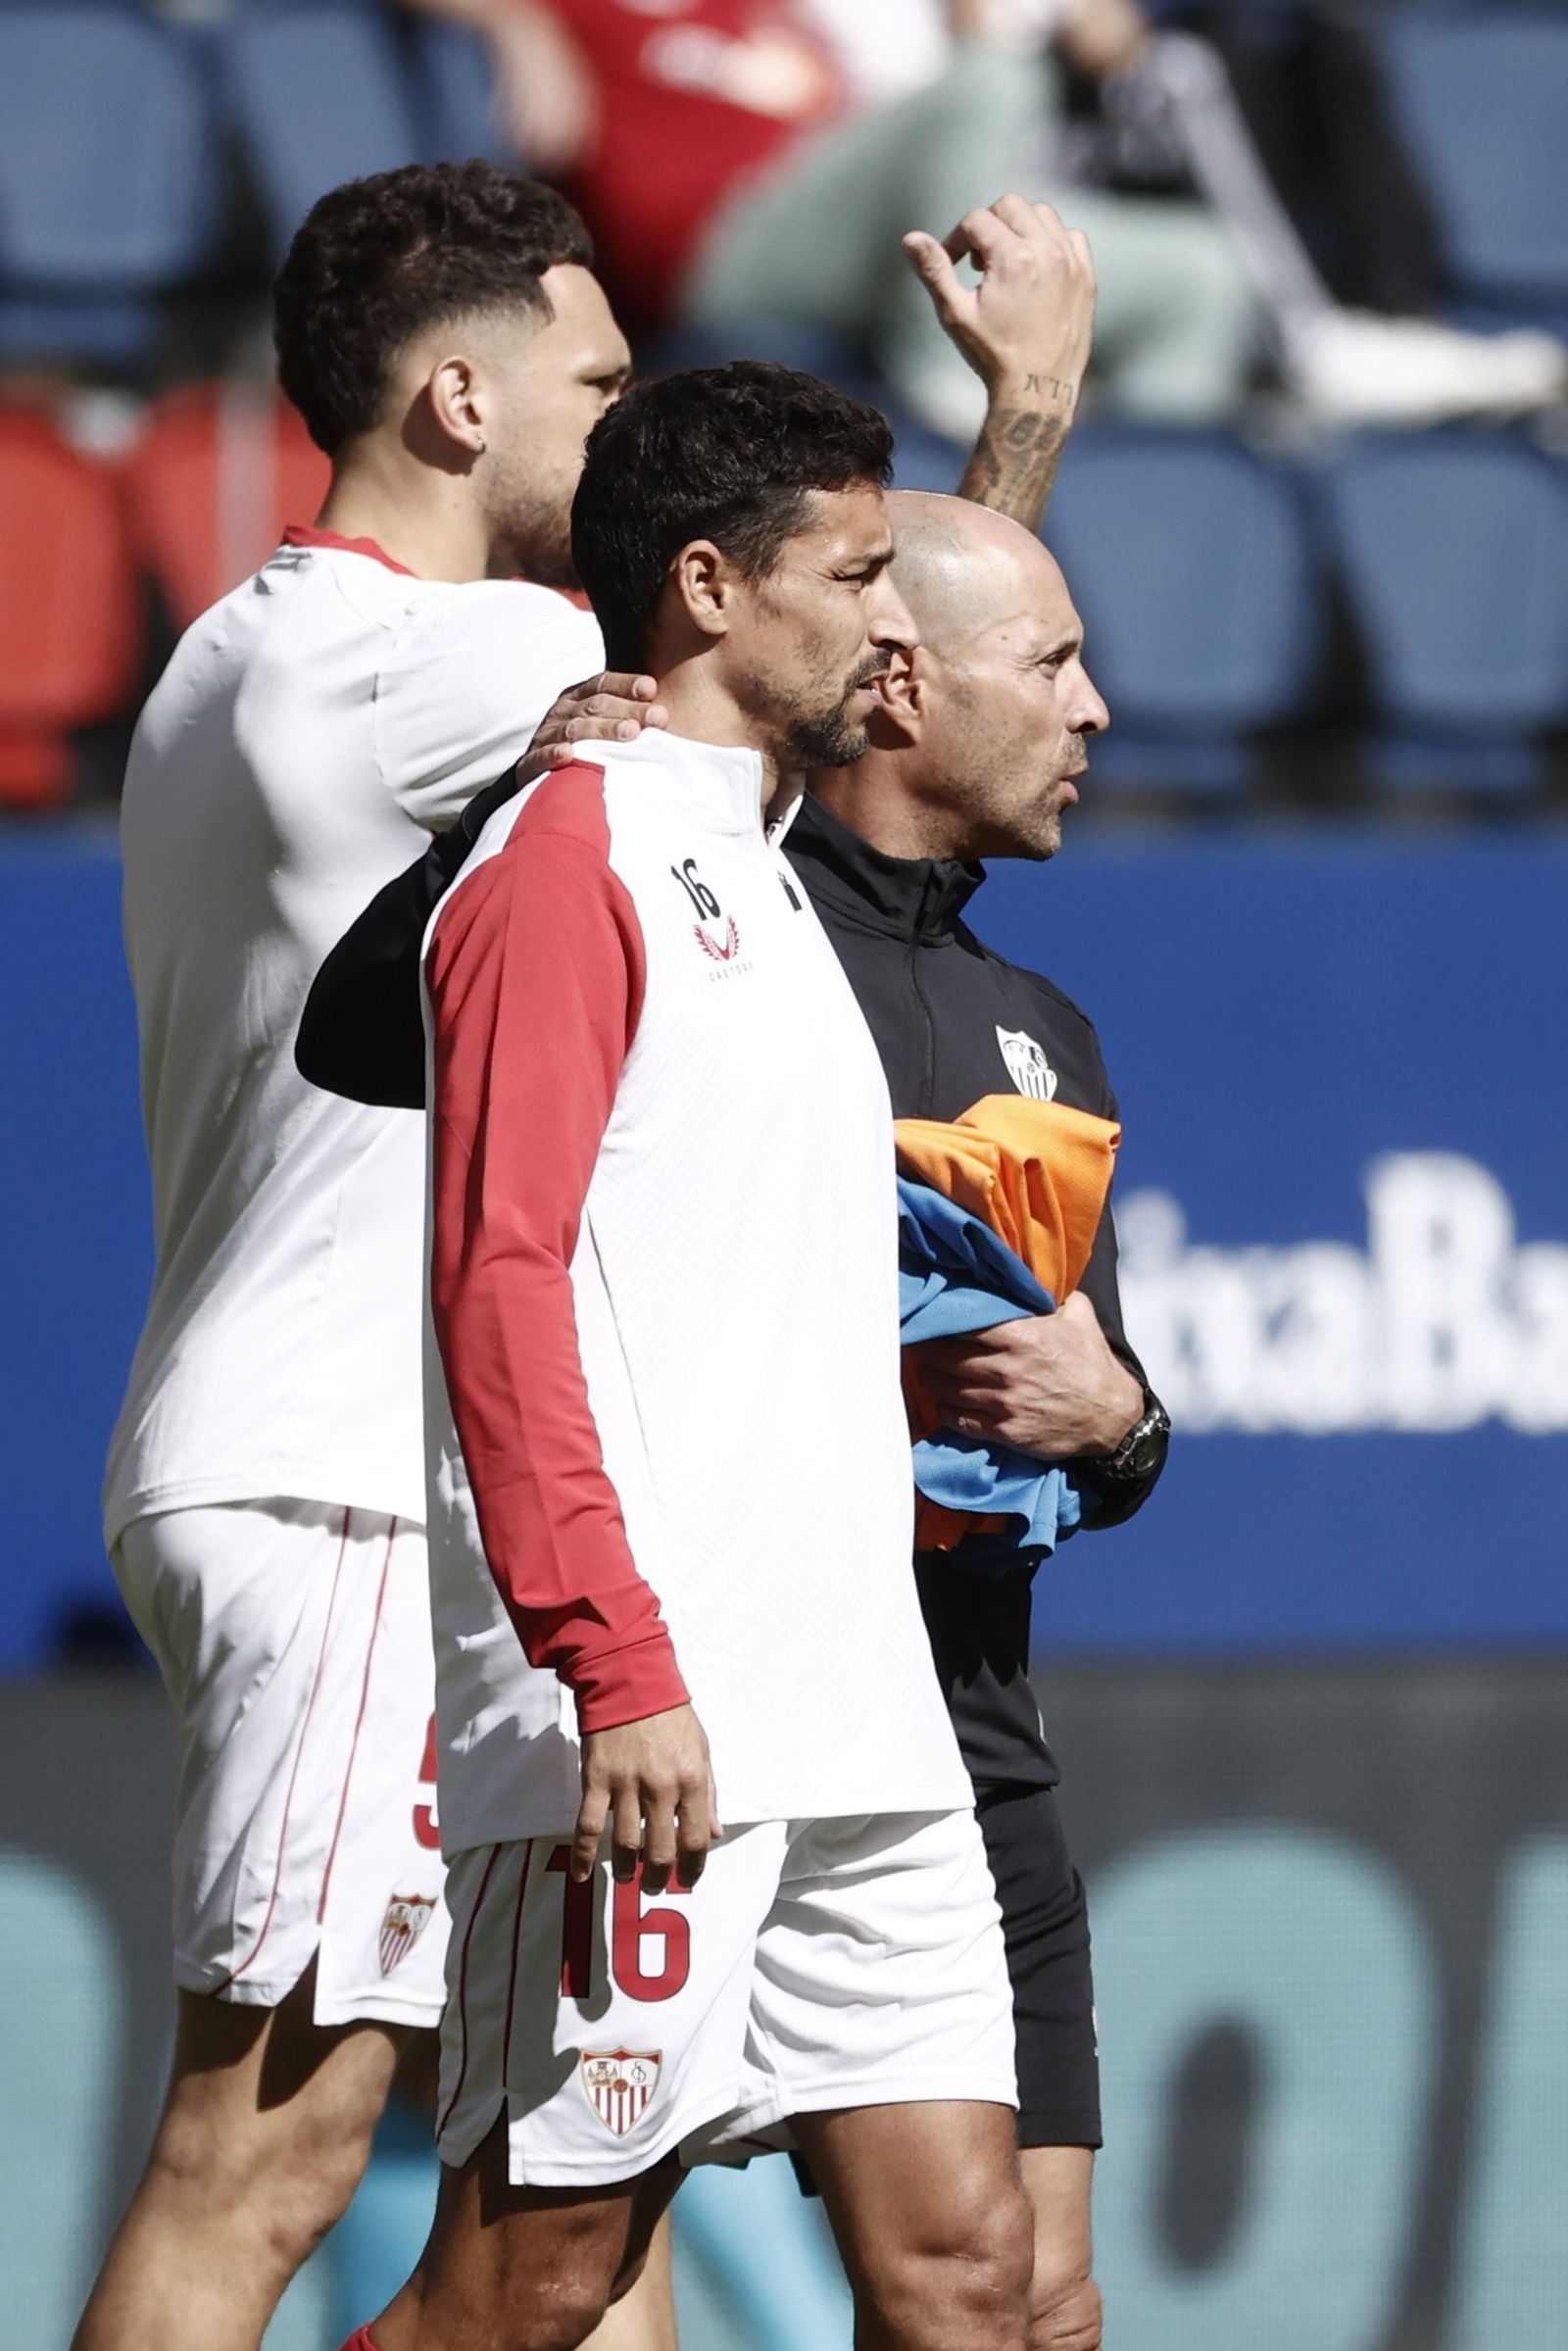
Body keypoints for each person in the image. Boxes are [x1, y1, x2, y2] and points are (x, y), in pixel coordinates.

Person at [82, 150, 1097, 2351]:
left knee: (570, 2222)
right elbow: (813, 671)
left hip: (347, 1455)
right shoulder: (457, 667)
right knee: (265, 2155)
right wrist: (1003, 440)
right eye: (601, 378)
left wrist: (981, 483)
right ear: (456, 401)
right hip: (393, 1476)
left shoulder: (234, 661)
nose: (622, 431)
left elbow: (829, 649)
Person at [298, 489, 1169, 2351]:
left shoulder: (1044, 1026)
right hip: (685, 1688)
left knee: (1014, 2285)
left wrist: (1125, 1424)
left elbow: (1096, 1405)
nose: (1100, 708)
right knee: (545, 2280)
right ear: (895, 679)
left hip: (948, 1717)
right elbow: (380, 1047)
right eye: (1058, 663)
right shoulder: (708, 879)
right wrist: (521, 792)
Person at [405, 0, 1254, 431]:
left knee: (1201, 276)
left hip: (854, 218)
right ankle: (950, 368)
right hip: (723, 243)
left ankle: (1124, 550)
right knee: (993, 78)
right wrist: (514, 25)